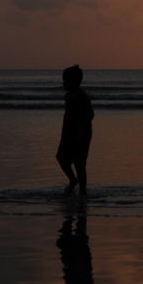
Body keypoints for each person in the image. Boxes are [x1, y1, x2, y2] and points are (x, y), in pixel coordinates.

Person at [56, 64, 93, 196]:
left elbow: (89, 115)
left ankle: (82, 190)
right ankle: (73, 180)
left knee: (79, 163)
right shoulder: (70, 95)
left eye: (66, 80)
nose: (63, 82)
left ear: (75, 81)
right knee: (61, 157)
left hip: (80, 134)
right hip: (69, 133)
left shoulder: (80, 96)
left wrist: (80, 133)